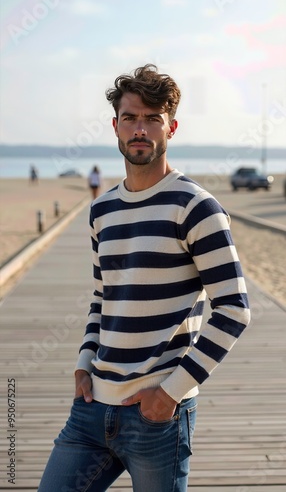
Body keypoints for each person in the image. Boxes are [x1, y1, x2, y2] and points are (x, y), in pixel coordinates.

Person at [38, 64, 251, 492]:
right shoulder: (103, 210)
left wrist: (171, 392)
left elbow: (234, 308)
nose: (141, 129)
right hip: (92, 408)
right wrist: (83, 363)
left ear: (171, 128)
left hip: (158, 416)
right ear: (115, 126)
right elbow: (103, 296)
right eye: (132, 118)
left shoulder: (196, 207)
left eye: (153, 119)